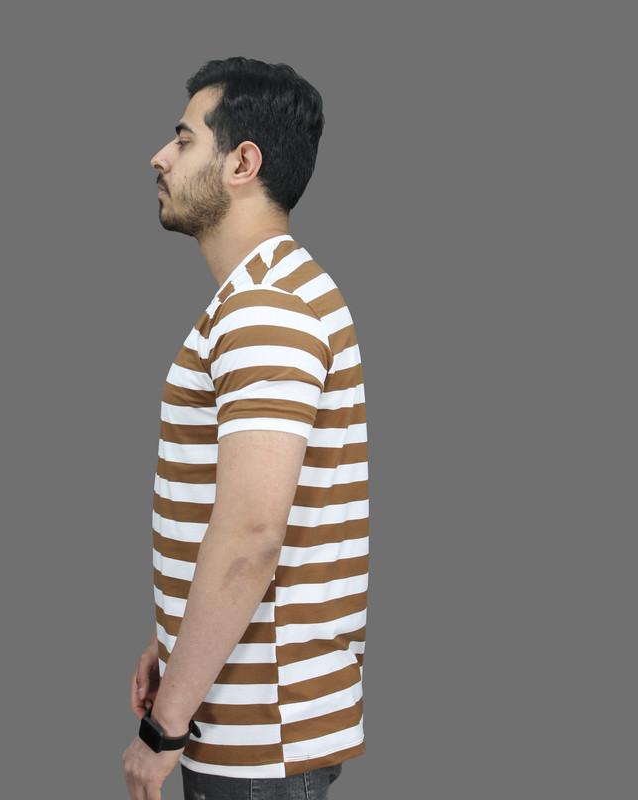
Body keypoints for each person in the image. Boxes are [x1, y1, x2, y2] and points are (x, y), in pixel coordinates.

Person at [122, 57, 369, 800]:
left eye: (183, 140)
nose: (160, 158)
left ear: (242, 163)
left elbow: (252, 535)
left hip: (257, 736)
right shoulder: (274, 292)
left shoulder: (266, 309)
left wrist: (163, 729)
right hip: (253, 717)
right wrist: (172, 638)